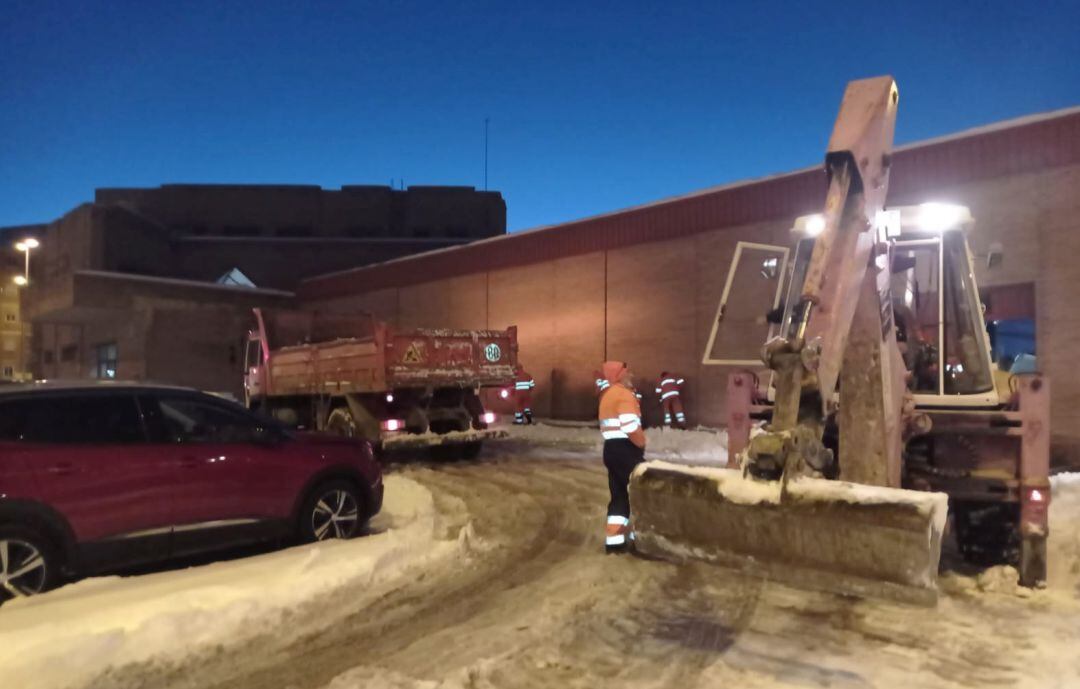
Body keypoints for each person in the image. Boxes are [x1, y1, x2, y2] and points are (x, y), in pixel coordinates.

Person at [598, 360, 646, 553]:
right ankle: (640, 539)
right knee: (637, 494)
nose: (630, 375)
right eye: (627, 372)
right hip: (626, 450)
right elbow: (629, 426)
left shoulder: (608, 395)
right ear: (619, 374)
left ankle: (615, 542)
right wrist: (641, 442)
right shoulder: (623, 395)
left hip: (611, 450)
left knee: (618, 495)